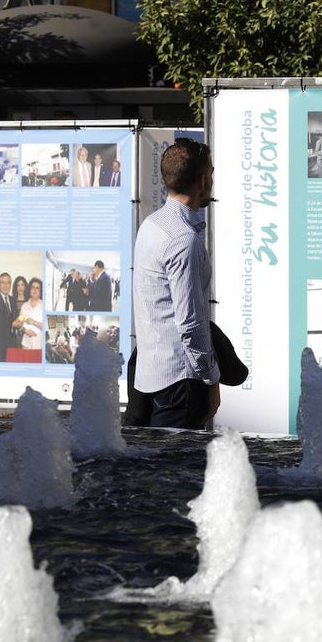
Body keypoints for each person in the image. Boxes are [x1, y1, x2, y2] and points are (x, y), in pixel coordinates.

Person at [131, 138, 220, 430]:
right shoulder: (183, 239)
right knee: (180, 471)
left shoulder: (151, 224)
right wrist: (211, 380)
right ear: (203, 180)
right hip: (181, 382)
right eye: (212, 171)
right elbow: (191, 323)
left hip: (149, 376)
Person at [18, 278, 44, 350]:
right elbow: (19, 323)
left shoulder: (45, 306)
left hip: (40, 345)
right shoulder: (24, 306)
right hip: (26, 344)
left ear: (41, 291)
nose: (35, 290)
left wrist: (34, 322)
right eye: (32, 287)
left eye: (37, 288)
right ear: (29, 290)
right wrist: (25, 330)